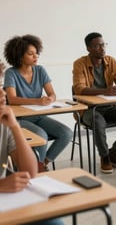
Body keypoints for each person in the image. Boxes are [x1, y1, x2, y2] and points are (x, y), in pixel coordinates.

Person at [0, 61, 63, 225]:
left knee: (54, 222)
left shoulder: (3, 125)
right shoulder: (14, 73)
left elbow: (30, 172)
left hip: (7, 200)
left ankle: (45, 161)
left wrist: (14, 126)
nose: (2, 94)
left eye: (0, 86)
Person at [73, 32, 116, 174]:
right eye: (97, 46)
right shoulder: (80, 63)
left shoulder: (111, 61)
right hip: (87, 109)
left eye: (103, 44)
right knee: (99, 122)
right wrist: (104, 91)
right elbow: (78, 89)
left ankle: (114, 152)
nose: (102, 48)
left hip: (110, 106)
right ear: (88, 49)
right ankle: (104, 156)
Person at [3, 35, 72, 172]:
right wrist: (38, 101)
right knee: (42, 135)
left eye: (36, 53)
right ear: (20, 56)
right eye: (31, 54)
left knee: (66, 133)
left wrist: (50, 99)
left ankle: (41, 164)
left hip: (38, 115)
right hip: (19, 119)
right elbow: (12, 99)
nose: (36, 57)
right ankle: (36, 168)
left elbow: (52, 94)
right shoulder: (11, 73)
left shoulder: (40, 70)